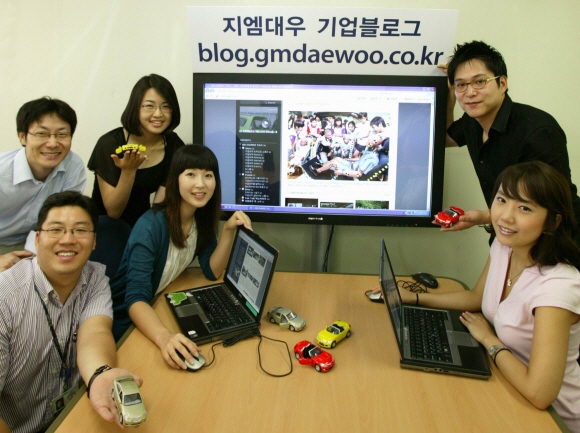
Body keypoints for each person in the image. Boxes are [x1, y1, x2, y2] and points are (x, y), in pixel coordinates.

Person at [385, 162, 580, 431]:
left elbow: (539, 393)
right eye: (502, 200)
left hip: (555, 418)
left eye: (524, 208)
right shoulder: (505, 247)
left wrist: (488, 339)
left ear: (552, 221)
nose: (506, 217)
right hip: (506, 386)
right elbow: (477, 297)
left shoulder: (558, 287)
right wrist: (414, 298)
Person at [0, 191, 142, 433]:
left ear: (94, 241)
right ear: (37, 239)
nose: (67, 239)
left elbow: (95, 332)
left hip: (73, 416)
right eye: (56, 230)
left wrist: (99, 375)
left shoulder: (95, 277)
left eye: (80, 230)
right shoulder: (6, 296)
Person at [110, 145, 252, 370]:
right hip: (125, 321)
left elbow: (212, 271)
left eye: (208, 175)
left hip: (156, 306)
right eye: (191, 175)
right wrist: (165, 337)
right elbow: (135, 298)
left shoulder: (201, 218)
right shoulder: (150, 226)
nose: (201, 184)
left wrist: (227, 231)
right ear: (175, 180)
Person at [439, 41, 580, 236]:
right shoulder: (472, 122)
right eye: (461, 85)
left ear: (503, 83)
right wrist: (450, 97)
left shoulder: (539, 131)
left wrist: (484, 216)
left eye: (479, 82)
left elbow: (549, 205)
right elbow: (444, 139)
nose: (470, 92)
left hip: (555, 239)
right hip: (508, 232)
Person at [0, 97, 86, 272]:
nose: (53, 143)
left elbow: (64, 219)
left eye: (62, 134)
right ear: (23, 137)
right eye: (42, 134)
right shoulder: (2, 174)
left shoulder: (72, 166)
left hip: (37, 244)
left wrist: (33, 256)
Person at [88, 74, 184, 228]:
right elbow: (113, 211)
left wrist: (147, 233)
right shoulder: (110, 143)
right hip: (104, 229)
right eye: (149, 106)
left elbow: (158, 208)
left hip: (142, 226)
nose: (158, 114)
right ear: (135, 107)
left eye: (166, 106)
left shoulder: (173, 145)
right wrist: (128, 171)